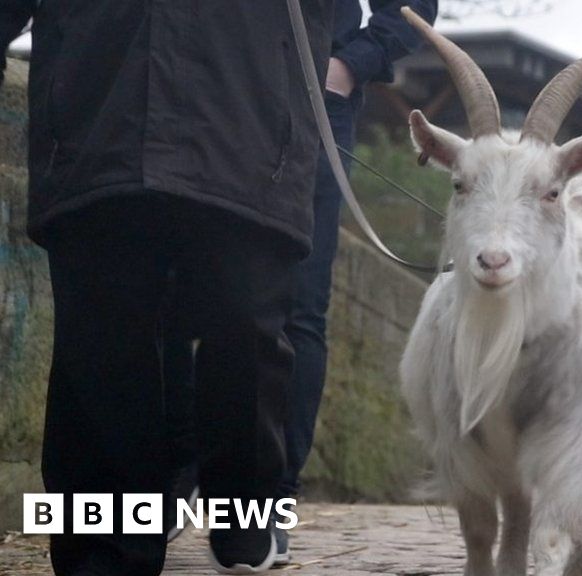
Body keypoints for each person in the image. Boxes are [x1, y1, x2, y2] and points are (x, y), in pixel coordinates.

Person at [1, 2, 333, 575]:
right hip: (97, 113)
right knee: (98, 356)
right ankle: (100, 559)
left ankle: (248, 517)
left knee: (248, 335)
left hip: (250, 120)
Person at [160, 0, 440, 565]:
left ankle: (270, 502)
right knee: (168, 290)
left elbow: (410, 8)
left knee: (296, 304)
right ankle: (177, 474)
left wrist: (349, 65)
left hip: (308, 99)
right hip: (195, 88)